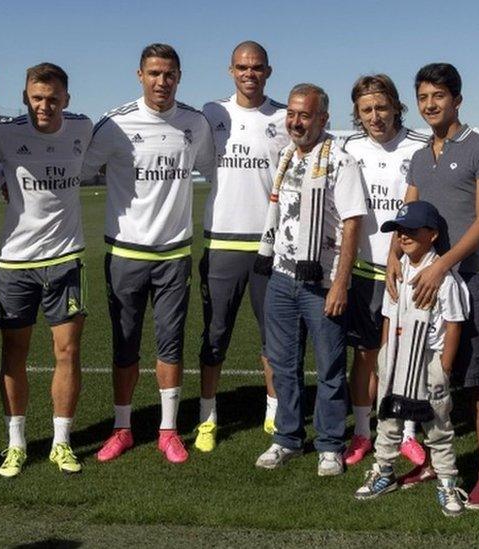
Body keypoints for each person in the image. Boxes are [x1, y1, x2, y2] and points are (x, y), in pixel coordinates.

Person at [84, 43, 215, 464]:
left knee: (170, 343)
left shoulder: (195, 123)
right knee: (124, 345)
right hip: (125, 253)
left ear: (179, 77)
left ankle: (168, 430)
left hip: (174, 254)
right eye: (154, 73)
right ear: (140, 75)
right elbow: (78, 168)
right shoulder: (115, 124)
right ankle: (122, 428)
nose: (162, 81)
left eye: (170, 74)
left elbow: (216, 171)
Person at [387, 62, 479, 508]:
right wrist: (395, 259)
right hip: (423, 286)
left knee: (476, 380)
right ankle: (436, 461)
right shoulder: (419, 155)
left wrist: (442, 266)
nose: (430, 105)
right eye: (423, 98)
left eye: (438, 96)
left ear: (457, 99)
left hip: (466, 280)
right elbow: (408, 213)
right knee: (429, 378)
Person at [0, 63, 92, 477]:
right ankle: (16, 444)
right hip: (15, 263)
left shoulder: (83, 129)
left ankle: (61, 443)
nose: (44, 106)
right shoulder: (8, 133)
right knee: (14, 354)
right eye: (36, 98)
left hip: (65, 260)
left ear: (67, 98)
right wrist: (3, 179)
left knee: (67, 352)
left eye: (52, 98)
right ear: (25, 97)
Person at [253, 83, 366, 476]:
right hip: (282, 277)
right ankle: (286, 437)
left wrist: (340, 282)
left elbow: (352, 223)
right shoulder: (285, 155)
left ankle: (330, 443)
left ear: (323, 119)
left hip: (322, 281)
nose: (296, 122)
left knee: (330, 366)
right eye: (292, 114)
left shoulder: (341, 160)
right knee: (283, 365)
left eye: (305, 115)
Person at [197, 41, 289, 451]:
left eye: (256, 67)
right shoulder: (211, 114)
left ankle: (273, 410)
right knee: (215, 334)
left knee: (274, 336)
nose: (249, 73)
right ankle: (207, 416)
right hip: (221, 243)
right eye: (241, 67)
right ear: (230, 70)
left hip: (270, 246)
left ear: (268, 71)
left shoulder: (286, 117)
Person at [354, 201, 470, 517]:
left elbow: (454, 322)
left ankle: (447, 482)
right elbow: (389, 316)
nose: (403, 236)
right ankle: (384, 471)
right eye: (400, 230)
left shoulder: (443, 278)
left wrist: (444, 366)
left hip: (428, 359)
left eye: (412, 230)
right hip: (396, 355)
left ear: (432, 235)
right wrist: (384, 358)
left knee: (437, 424)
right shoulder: (398, 269)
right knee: (388, 416)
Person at [341, 74, 429, 467]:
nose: (375, 117)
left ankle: (408, 432)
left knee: (407, 356)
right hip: (363, 269)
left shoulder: (420, 146)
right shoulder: (348, 147)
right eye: (366, 110)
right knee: (365, 355)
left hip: (407, 270)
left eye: (381, 107)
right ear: (357, 114)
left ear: (396, 106)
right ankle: (363, 432)